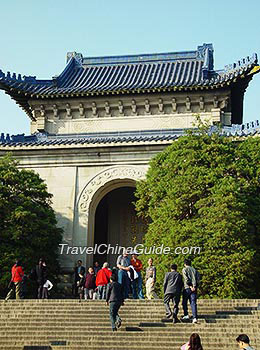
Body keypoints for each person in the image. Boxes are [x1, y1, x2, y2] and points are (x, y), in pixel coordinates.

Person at [182, 259, 199, 323]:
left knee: (184, 302)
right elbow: (198, 279)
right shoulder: (195, 270)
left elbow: (186, 279)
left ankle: (186, 314)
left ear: (185, 264)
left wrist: (190, 286)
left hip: (187, 288)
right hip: (194, 288)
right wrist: (194, 286)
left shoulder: (184, 269)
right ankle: (195, 317)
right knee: (193, 302)